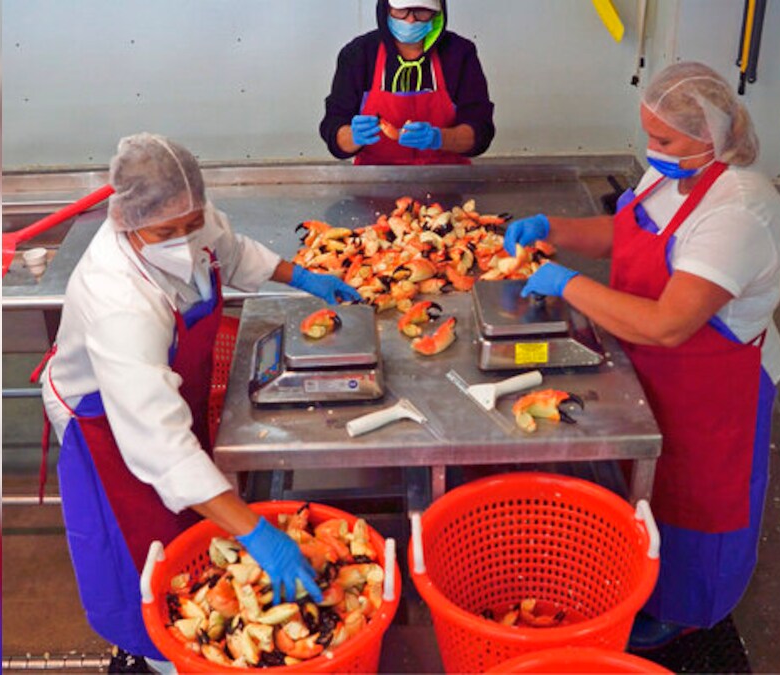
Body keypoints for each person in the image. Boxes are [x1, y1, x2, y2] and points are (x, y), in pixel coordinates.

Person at [37, 133, 355, 671]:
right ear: (126, 220)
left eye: (190, 224)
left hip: (167, 394)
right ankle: (151, 654)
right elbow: (160, 447)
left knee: (188, 518)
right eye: (166, 232)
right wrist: (258, 533)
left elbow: (232, 252)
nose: (183, 241)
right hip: (100, 417)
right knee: (135, 543)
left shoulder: (187, 215)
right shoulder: (119, 299)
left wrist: (302, 277)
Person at [504, 62, 780, 649]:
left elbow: (669, 325)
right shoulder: (669, 176)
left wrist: (565, 284)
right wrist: (551, 228)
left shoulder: (738, 212)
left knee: (699, 497)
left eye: (663, 139)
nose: (650, 149)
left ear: (710, 137)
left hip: (716, 378)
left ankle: (690, 610)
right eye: (647, 135)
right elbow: (625, 230)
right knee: (651, 481)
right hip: (650, 360)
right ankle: (640, 574)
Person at [319, 0, 495, 165]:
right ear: (386, 8)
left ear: (437, 11)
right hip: (374, 181)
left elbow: (480, 129)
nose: (410, 19)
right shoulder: (359, 54)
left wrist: (439, 138)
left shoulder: (459, 53)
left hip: (447, 180)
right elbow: (334, 126)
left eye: (421, 11)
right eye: (401, 10)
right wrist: (352, 136)